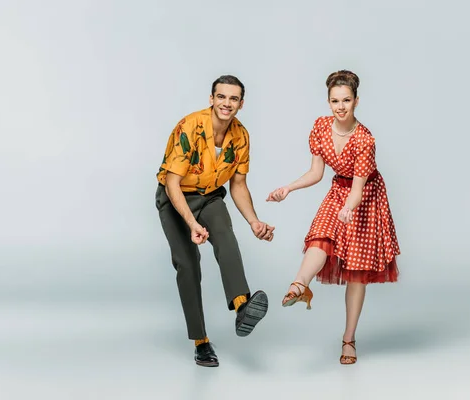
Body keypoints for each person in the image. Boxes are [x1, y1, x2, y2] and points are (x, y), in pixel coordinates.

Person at [266, 70, 400, 365]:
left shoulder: (365, 140)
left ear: (356, 101)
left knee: (356, 270)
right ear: (328, 102)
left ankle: (349, 339)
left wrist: (350, 208)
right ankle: (299, 285)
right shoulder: (320, 127)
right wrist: (288, 188)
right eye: (335, 101)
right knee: (321, 234)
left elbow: (359, 188)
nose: (340, 107)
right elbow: (316, 173)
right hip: (338, 189)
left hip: (365, 198)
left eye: (346, 101)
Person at [155, 75, 274, 367]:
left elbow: (238, 185)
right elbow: (172, 183)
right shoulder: (189, 127)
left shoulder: (241, 136)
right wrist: (192, 224)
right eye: (221, 97)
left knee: (225, 235)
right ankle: (201, 342)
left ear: (241, 104)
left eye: (233, 99)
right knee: (188, 264)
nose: (227, 103)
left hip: (209, 196)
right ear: (212, 99)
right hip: (175, 200)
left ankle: (242, 307)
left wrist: (254, 221)